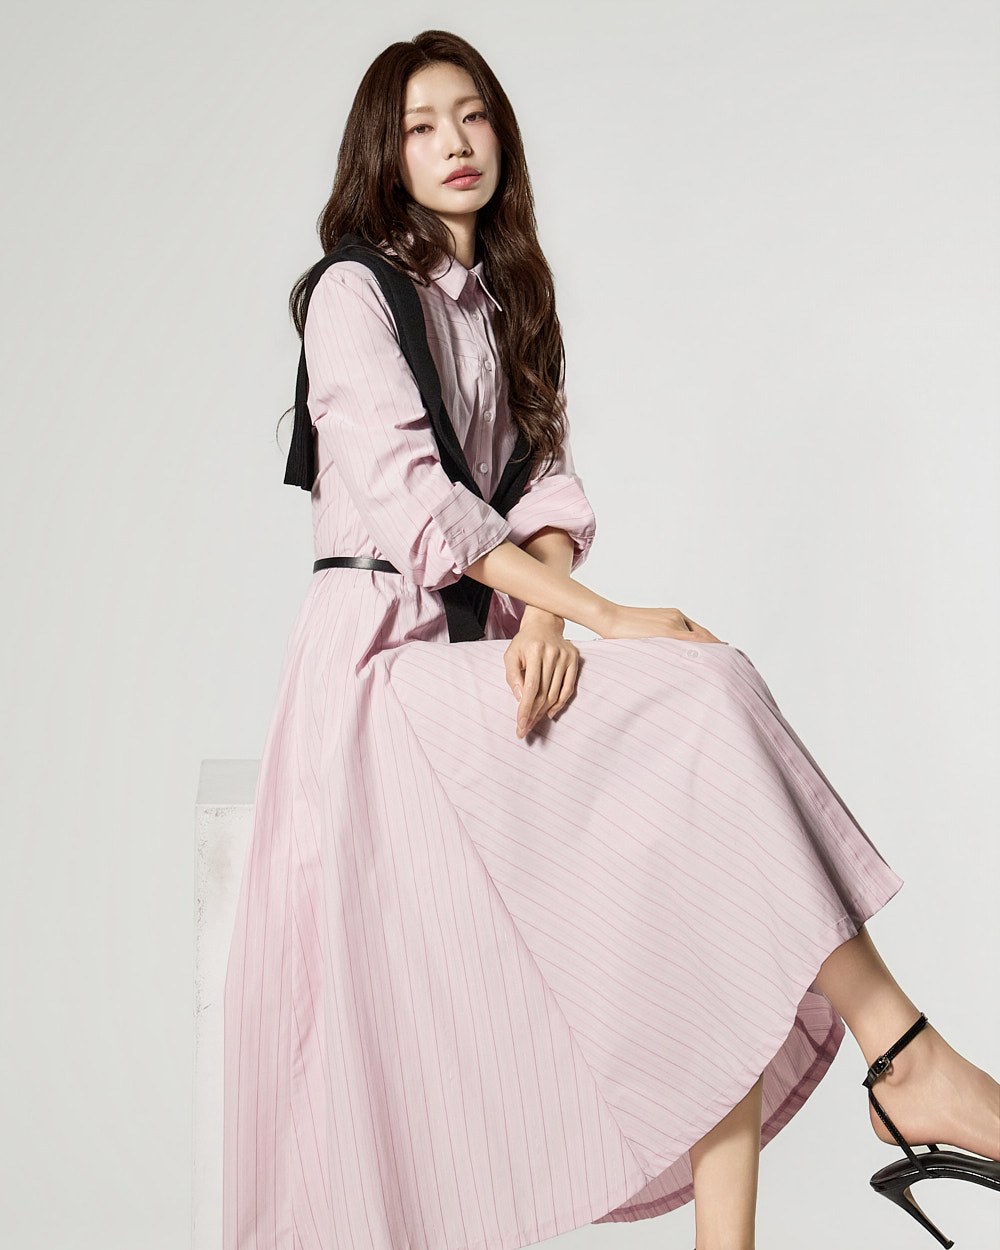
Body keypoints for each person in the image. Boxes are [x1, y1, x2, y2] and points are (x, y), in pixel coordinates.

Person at [223, 28, 1000, 1250]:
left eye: (472, 115)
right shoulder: (351, 294)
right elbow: (418, 502)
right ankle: (906, 1056)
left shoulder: (507, 300)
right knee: (696, 689)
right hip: (378, 679)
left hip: (481, 654)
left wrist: (543, 608)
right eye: (421, 125)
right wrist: (599, 614)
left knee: (700, 839)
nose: (454, 142)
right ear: (384, 154)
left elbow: (540, 490)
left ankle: (766, 1203)